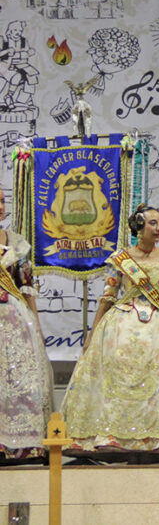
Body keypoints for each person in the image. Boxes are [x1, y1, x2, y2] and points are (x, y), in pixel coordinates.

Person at [62, 205, 159, 461]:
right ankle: (113, 436)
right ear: (138, 227)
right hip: (122, 324)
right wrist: (93, 333)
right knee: (117, 376)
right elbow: (108, 297)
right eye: (153, 223)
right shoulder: (120, 259)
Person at [0, 190, 52, 463]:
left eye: (1, 200)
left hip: (15, 318)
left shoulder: (17, 244)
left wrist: (37, 325)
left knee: (19, 379)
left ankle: (21, 445)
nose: (0, 206)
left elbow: (26, 286)